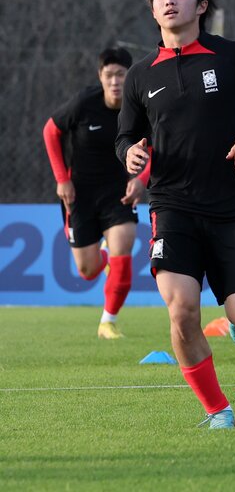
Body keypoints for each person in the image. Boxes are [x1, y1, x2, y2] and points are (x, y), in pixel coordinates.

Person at [116, 0, 235, 429]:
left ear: (202, 4)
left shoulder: (233, 57)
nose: (169, 0)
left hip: (232, 208)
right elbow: (124, 136)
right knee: (182, 309)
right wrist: (130, 154)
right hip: (172, 207)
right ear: (152, 8)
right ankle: (217, 409)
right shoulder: (140, 75)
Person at [44, 47, 148, 338]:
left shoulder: (138, 108)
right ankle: (102, 258)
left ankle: (107, 322)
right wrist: (62, 179)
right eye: (109, 75)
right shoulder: (84, 103)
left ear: (129, 77)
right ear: (100, 77)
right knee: (88, 270)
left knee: (123, 247)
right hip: (79, 194)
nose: (115, 81)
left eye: (121, 75)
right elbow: (50, 131)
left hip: (118, 193)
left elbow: (154, 145)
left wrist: (141, 179)